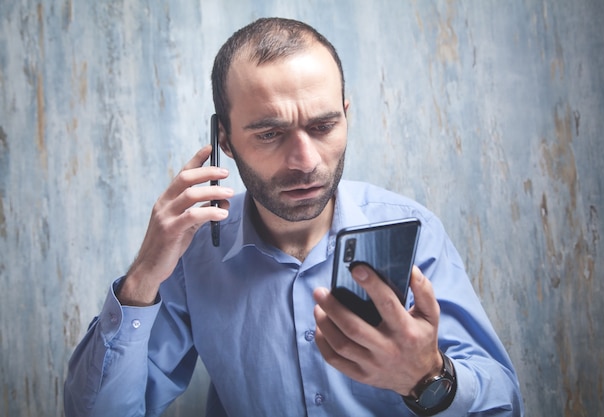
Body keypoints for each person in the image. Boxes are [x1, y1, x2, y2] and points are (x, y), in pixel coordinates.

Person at [64, 17, 523, 417]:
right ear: (224, 138)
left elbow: (505, 405)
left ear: (345, 116)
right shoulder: (193, 254)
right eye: (269, 133)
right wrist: (143, 275)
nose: (305, 161)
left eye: (323, 127)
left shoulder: (414, 232)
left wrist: (428, 378)